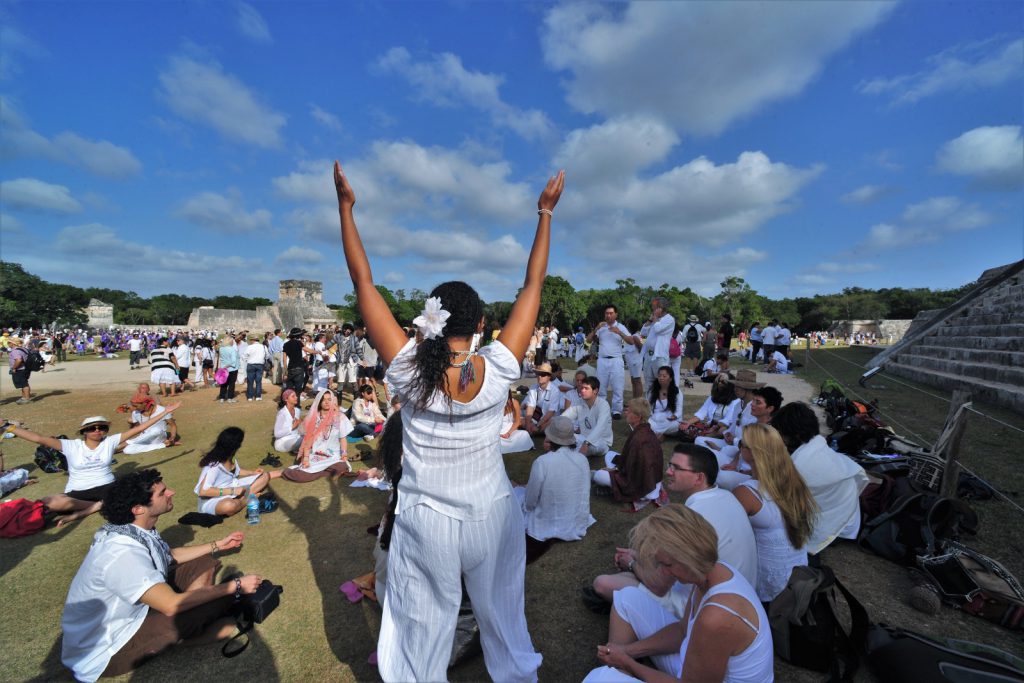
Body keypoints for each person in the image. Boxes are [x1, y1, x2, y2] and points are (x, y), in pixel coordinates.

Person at [335, 159, 561, 682]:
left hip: (425, 518)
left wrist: (347, 208)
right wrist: (544, 213)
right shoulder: (501, 364)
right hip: (490, 514)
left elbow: (362, 280)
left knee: (420, 623)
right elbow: (534, 283)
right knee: (503, 614)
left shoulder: (409, 366)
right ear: (481, 324)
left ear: (430, 320)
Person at [61, 468, 264, 680]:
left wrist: (217, 545)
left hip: (137, 610)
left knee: (203, 562)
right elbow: (170, 605)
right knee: (221, 600)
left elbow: (168, 555)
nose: (172, 492)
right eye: (162, 493)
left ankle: (192, 623)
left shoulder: (134, 529)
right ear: (138, 508)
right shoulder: (121, 553)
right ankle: (188, 632)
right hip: (109, 647)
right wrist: (235, 586)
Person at [584, 505, 773, 683]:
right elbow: (682, 631)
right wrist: (628, 651)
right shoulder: (713, 573)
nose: (664, 572)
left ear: (687, 560)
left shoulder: (716, 617)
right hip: (693, 663)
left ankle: (619, 670)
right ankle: (618, 669)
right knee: (626, 598)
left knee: (598, 678)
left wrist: (629, 663)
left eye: (667, 565)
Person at [590, 444, 758, 605]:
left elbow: (660, 586)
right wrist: (638, 556)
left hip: (704, 604)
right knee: (639, 568)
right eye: (670, 465)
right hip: (739, 592)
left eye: (676, 468)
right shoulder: (725, 496)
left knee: (603, 583)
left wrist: (631, 563)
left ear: (699, 477)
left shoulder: (694, 516)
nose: (668, 472)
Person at [3, 407, 180, 526]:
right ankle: (98, 506)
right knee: (53, 501)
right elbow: (38, 439)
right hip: (77, 491)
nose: (97, 431)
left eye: (101, 428)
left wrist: (165, 412)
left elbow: (140, 428)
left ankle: (81, 513)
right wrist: (8, 428)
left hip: (106, 487)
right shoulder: (71, 445)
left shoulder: (109, 442)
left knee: (129, 494)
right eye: (92, 428)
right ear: (84, 432)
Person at [732, 424, 817, 602]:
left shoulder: (746, 493)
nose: (739, 448)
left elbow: (729, 538)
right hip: (798, 574)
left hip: (769, 585)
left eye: (742, 444)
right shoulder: (794, 479)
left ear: (753, 453)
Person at [771, 402, 868, 555]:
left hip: (837, 526)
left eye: (781, 434)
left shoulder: (805, 463)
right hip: (845, 516)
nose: (779, 439)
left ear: (796, 434)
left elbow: (775, 499)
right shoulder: (812, 445)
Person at [515, 416, 595, 563]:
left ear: (550, 439)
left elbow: (530, 502)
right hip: (575, 521)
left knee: (516, 495)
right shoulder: (582, 459)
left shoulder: (542, 462)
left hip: (547, 521)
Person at [592, 398, 666, 512]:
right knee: (610, 454)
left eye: (629, 411)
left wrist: (613, 471)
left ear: (638, 417)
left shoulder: (639, 438)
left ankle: (611, 489)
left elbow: (630, 472)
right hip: (652, 482)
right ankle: (611, 485)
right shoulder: (645, 429)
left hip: (644, 488)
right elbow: (633, 463)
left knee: (598, 475)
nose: (625, 412)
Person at [194, 427, 280, 516]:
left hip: (233, 486)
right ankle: (245, 500)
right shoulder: (214, 466)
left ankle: (242, 498)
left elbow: (236, 471)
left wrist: (252, 473)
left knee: (265, 476)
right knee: (229, 506)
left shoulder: (230, 456)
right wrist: (233, 491)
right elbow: (203, 491)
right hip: (212, 500)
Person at [281, 388, 353, 482]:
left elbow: (343, 438)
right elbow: (307, 441)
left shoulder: (339, 417)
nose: (327, 402)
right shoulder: (314, 418)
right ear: (319, 402)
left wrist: (344, 454)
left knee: (342, 466)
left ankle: (316, 472)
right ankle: (300, 473)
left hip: (332, 455)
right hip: (314, 454)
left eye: (329, 399)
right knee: (304, 472)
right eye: (323, 400)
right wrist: (306, 458)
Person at [588, 306, 632, 419]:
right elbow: (588, 340)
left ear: (616, 314)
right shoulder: (601, 327)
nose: (608, 315)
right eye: (606, 313)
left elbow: (631, 341)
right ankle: (601, 409)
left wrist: (620, 333)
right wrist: (596, 328)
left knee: (618, 386)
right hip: (602, 360)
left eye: (611, 313)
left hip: (616, 360)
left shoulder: (620, 327)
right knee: (601, 386)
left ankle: (616, 410)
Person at [562, 376, 613, 458]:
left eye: (586, 388)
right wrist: (554, 428)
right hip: (583, 438)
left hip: (601, 442)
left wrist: (586, 443)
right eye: (582, 388)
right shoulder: (580, 402)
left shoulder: (603, 405)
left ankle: (569, 455)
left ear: (595, 391)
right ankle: (568, 453)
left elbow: (600, 427)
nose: (582, 390)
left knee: (586, 447)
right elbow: (564, 417)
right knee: (565, 436)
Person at [678, 376, 740, 441]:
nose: (719, 384)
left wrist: (715, 427)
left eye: (722, 382)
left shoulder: (736, 401)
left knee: (723, 430)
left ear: (730, 385)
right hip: (709, 426)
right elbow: (701, 413)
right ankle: (703, 437)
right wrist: (688, 422)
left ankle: (703, 437)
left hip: (721, 427)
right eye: (718, 381)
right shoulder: (712, 398)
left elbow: (727, 420)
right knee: (683, 426)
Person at [522, 361, 569, 436]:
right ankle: (534, 430)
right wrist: (528, 424)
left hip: (548, 419)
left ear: (549, 377)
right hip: (536, 417)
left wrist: (538, 425)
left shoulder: (555, 390)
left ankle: (537, 430)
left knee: (553, 421)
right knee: (521, 419)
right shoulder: (533, 388)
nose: (540, 376)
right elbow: (530, 407)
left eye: (543, 375)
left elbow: (550, 413)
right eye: (538, 374)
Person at [639, 297, 675, 390]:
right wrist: (650, 320)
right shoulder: (653, 320)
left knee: (661, 384)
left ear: (661, 307)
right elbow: (643, 332)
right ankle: (649, 404)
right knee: (648, 385)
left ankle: (662, 403)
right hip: (648, 356)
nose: (652, 309)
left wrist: (655, 319)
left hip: (659, 357)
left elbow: (658, 329)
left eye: (654, 306)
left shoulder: (669, 319)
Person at [648, 366, 681, 438]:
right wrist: (649, 415)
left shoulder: (676, 392)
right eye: (659, 376)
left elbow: (679, 409)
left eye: (664, 376)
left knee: (676, 425)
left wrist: (674, 416)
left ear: (670, 378)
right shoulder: (652, 390)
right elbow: (648, 406)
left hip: (668, 420)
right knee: (646, 423)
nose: (661, 378)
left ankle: (655, 434)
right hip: (654, 419)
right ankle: (662, 435)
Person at [499, 389, 534, 454]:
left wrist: (508, 433)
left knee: (524, 434)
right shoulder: (494, 405)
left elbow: (517, 422)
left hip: (511, 431)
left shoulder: (514, 403)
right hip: (498, 434)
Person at [273, 389, 303, 453]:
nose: (296, 397)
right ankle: (298, 448)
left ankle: (297, 449)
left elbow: (299, 427)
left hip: (294, 437)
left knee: (311, 436)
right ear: (286, 399)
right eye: (293, 396)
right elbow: (276, 433)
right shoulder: (282, 413)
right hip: (282, 442)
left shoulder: (297, 410)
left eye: (296, 396)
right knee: (305, 439)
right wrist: (292, 427)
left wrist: (301, 423)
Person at [282, 328, 307, 397]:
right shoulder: (299, 343)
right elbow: (308, 350)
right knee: (298, 389)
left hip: (291, 368)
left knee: (289, 388)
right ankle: (297, 405)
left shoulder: (286, 344)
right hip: (299, 368)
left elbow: (284, 359)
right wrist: (318, 352)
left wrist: (285, 371)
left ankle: (288, 403)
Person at [7, 336, 32, 404]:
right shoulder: (23, 349)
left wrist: (14, 368)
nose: (8, 344)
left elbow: (18, 360)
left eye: (9, 342)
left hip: (20, 369)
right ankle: (24, 397)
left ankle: (27, 399)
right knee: (23, 383)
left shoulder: (15, 351)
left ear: (13, 343)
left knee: (24, 384)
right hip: (25, 369)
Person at [243, 334, 267, 401]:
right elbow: (267, 356)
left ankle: (250, 396)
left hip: (251, 364)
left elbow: (244, 356)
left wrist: (247, 360)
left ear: (252, 340)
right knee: (258, 381)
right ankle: (258, 396)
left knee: (250, 381)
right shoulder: (263, 347)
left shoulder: (249, 347)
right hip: (260, 365)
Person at [216, 336, 239, 403]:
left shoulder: (221, 349)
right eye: (232, 341)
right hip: (232, 369)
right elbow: (233, 361)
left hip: (223, 368)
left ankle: (222, 398)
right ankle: (230, 398)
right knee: (231, 383)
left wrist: (224, 366)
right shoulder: (232, 349)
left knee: (223, 383)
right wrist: (228, 365)